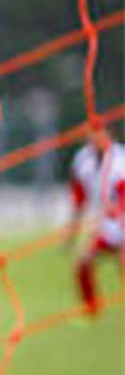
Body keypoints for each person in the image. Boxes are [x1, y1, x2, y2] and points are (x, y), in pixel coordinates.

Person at [65, 122, 123, 318]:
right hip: (107, 225)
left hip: (121, 221)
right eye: (90, 133)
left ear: (109, 134)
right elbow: (79, 199)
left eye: (98, 132)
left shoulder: (120, 160)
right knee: (83, 261)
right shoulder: (82, 160)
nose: (93, 137)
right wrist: (72, 230)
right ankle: (91, 308)